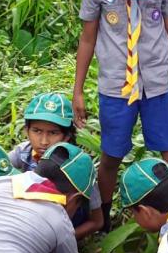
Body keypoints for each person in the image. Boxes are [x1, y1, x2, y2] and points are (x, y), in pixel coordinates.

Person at [73, 0, 168, 232]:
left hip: (158, 86)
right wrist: (78, 90)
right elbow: (87, 39)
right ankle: (104, 218)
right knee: (111, 156)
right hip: (116, 88)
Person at [9, 92, 104, 239]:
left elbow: (97, 221)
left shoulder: (79, 167)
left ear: (66, 136)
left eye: (53, 133)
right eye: (37, 131)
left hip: (66, 226)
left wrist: (62, 239)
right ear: (26, 131)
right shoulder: (23, 153)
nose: (44, 141)